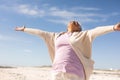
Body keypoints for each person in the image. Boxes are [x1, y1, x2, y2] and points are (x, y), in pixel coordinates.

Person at [15, 21, 120, 80]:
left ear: (79, 29)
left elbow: (96, 30)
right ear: (67, 27)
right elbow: (41, 33)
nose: (75, 21)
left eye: (78, 24)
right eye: (73, 21)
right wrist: (24, 29)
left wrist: (113, 27)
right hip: (57, 71)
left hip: (75, 74)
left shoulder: (83, 35)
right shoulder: (56, 36)